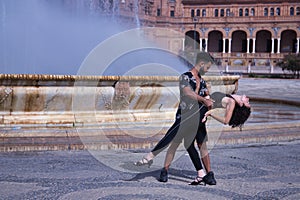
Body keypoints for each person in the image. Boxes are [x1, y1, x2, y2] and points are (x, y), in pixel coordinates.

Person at [134, 52, 217, 185]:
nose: (207, 70)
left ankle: (208, 174)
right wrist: (203, 100)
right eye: (207, 67)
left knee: (202, 145)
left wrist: (210, 103)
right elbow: (187, 92)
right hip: (184, 116)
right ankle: (165, 170)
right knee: (175, 143)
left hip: (199, 119)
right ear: (201, 64)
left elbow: (207, 96)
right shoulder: (185, 77)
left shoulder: (202, 81)